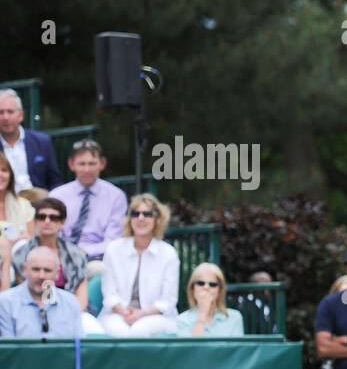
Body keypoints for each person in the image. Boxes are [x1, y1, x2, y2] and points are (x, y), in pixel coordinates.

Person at [99, 194, 180, 337]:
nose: (140, 218)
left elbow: (167, 301)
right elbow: (109, 294)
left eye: (147, 214)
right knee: (119, 331)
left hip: (156, 316)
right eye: (135, 214)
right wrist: (124, 312)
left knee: (139, 331)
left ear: (157, 219)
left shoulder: (169, 254)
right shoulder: (113, 249)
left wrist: (141, 314)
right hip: (118, 314)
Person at [49, 139, 128, 262]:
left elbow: (113, 240)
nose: (87, 169)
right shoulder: (56, 196)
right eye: (82, 164)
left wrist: (83, 252)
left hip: (99, 258)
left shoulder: (116, 196)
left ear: (102, 164)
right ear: (71, 164)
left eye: (92, 163)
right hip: (61, 257)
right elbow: (52, 233)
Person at [9, 197, 88, 305]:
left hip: (71, 308)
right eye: (42, 217)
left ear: (62, 222)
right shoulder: (21, 255)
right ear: (36, 221)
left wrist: (70, 315)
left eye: (54, 217)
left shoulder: (77, 255)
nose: (47, 221)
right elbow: (25, 295)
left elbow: (82, 298)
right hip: (33, 309)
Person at [0, 247, 84, 339]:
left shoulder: (70, 302)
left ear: (57, 274)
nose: (41, 276)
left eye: (47, 270)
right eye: (36, 269)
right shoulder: (5, 302)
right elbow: (8, 350)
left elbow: (79, 348)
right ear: (25, 269)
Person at [0, 88, 62, 192]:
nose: (5, 117)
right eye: (0, 112)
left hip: (39, 203)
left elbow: (55, 181)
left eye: (10, 112)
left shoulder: (42, 142)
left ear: (21, 115)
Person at [173, 263, 246, 337]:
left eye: (213, 284)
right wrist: (202, 316)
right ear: (192, 289)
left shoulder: (234, 318)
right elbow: (193, 347)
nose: (206, 287)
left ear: (220, 290)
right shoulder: (181, 321)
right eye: (200, 283)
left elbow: (236, 348)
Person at [0, 151, 35, 288]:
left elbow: (32, 238)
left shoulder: (23, 205)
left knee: (23, 246)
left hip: (20, 259)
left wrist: (19, 239)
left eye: (4, 170)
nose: (0, 175)